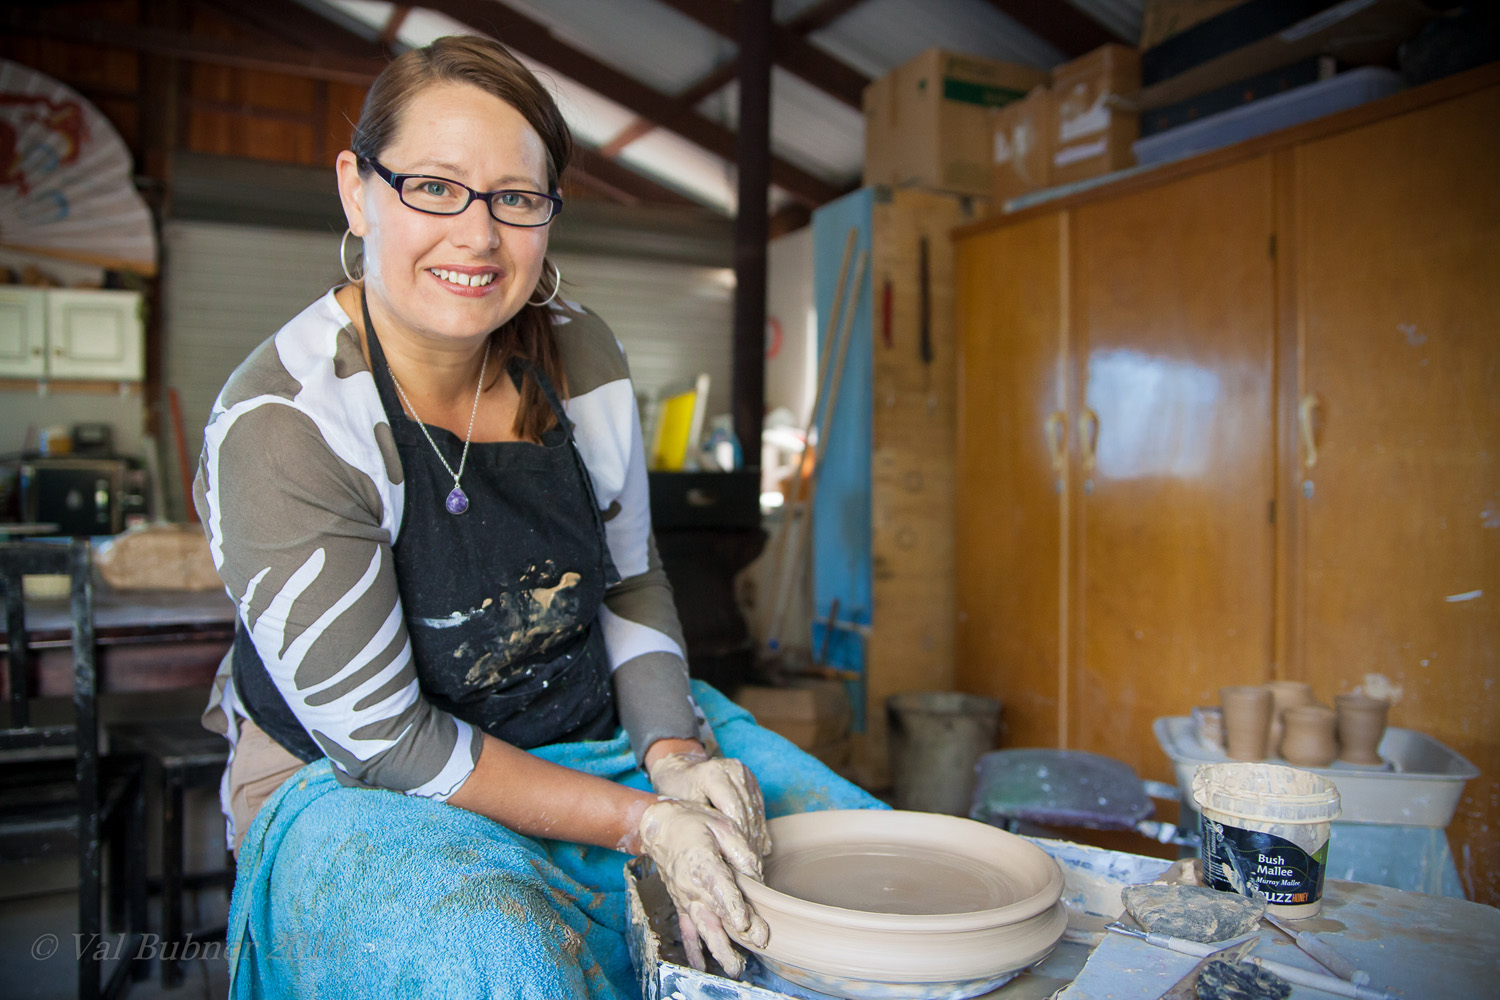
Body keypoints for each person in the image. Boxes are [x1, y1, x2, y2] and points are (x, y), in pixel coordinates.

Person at [193, 33, 881, 999]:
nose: (477, 238)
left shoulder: (577, 354)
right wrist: (645, 821)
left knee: (858, 857)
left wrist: (674, 756)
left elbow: (631, 578)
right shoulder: (285, 426)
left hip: (587, 714)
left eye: (516, 199)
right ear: (357, 189)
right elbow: (389, 742)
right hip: (358, 779)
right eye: (434, 186)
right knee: (495, 963)